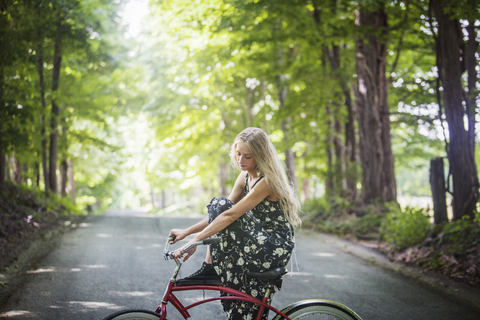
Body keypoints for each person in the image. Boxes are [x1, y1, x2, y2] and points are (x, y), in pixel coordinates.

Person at [169, 127, 301, 320]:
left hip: (273, 245)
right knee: (241, 310)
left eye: (247, 156)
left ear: (261, 156)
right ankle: (211, 269)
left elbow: (229, 215)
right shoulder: (245, 176)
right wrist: (187, 232)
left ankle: (210, 269)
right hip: (256, 238)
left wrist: (193, 242)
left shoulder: (267, 181)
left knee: (221, 203)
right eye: (238, 154)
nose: (241, 160)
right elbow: (219, 215)